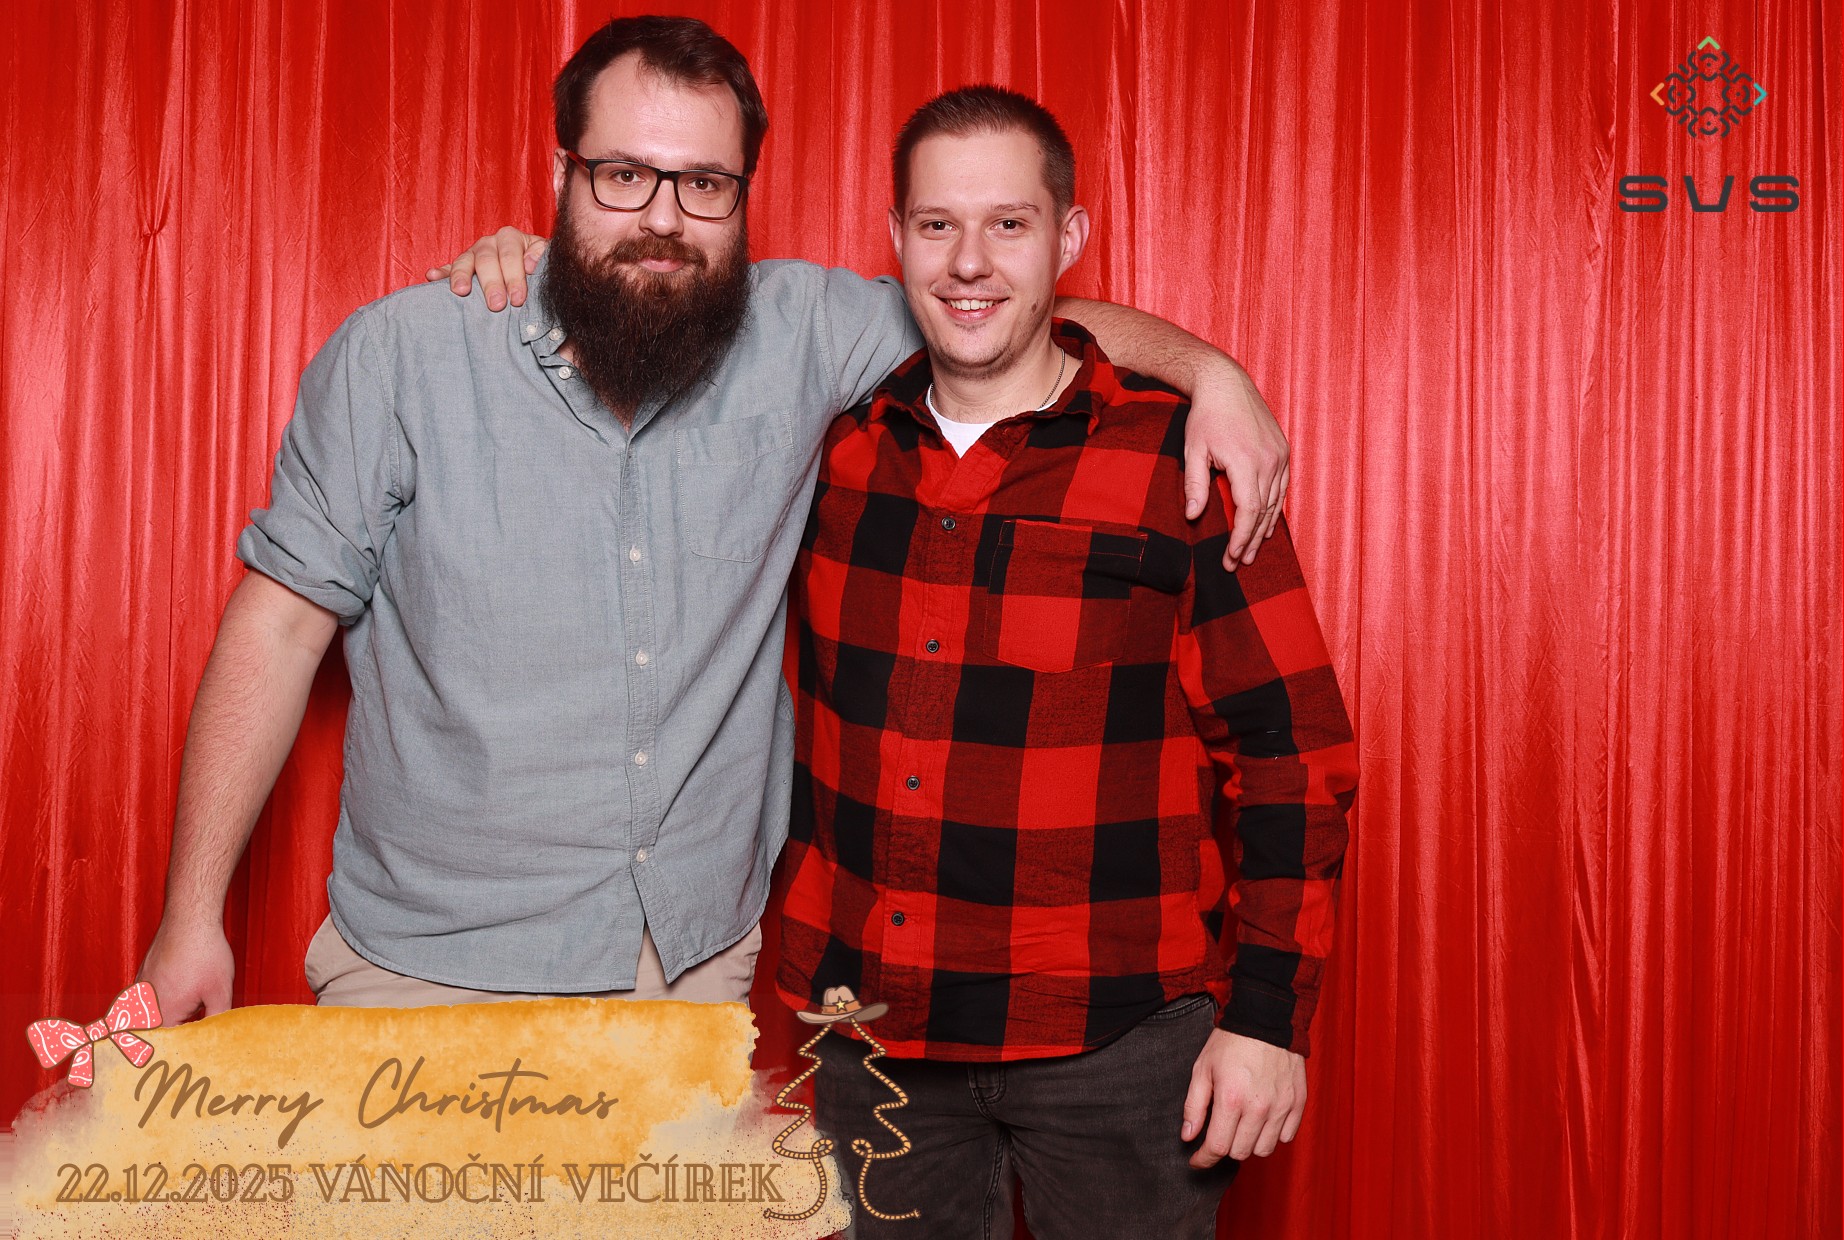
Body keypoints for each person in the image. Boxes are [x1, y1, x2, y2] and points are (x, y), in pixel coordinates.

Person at [138, 15, 1289, 1021]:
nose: (662, 218)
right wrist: (193, 917)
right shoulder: (403, 354)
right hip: (424, 967)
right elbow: (278, 625)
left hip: (686, 967)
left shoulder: (801, 332)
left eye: (703, 185)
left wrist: (1212, 373)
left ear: (742, 193)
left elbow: (998, 312)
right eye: (622, 176)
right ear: (560, 172)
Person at [776, 87, 1357, 1239]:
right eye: (936, 224)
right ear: (895, 238)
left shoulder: (1172, 459)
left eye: (1008, 223)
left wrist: (1265, 1018)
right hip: (870, 1038)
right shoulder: (828, 448)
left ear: (1067, 237)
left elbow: (1289, 746)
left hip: (1118, 1045)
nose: (968, 261)